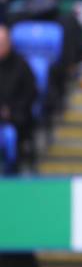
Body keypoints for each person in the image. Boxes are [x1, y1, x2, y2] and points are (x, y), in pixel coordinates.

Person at [0, 24, 37, 174]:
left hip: (16, 119)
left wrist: (11, 111)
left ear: (10, 43)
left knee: (11, 136)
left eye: (2, 43)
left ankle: (11, 173)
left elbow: (31, 92)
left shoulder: (21, 65)